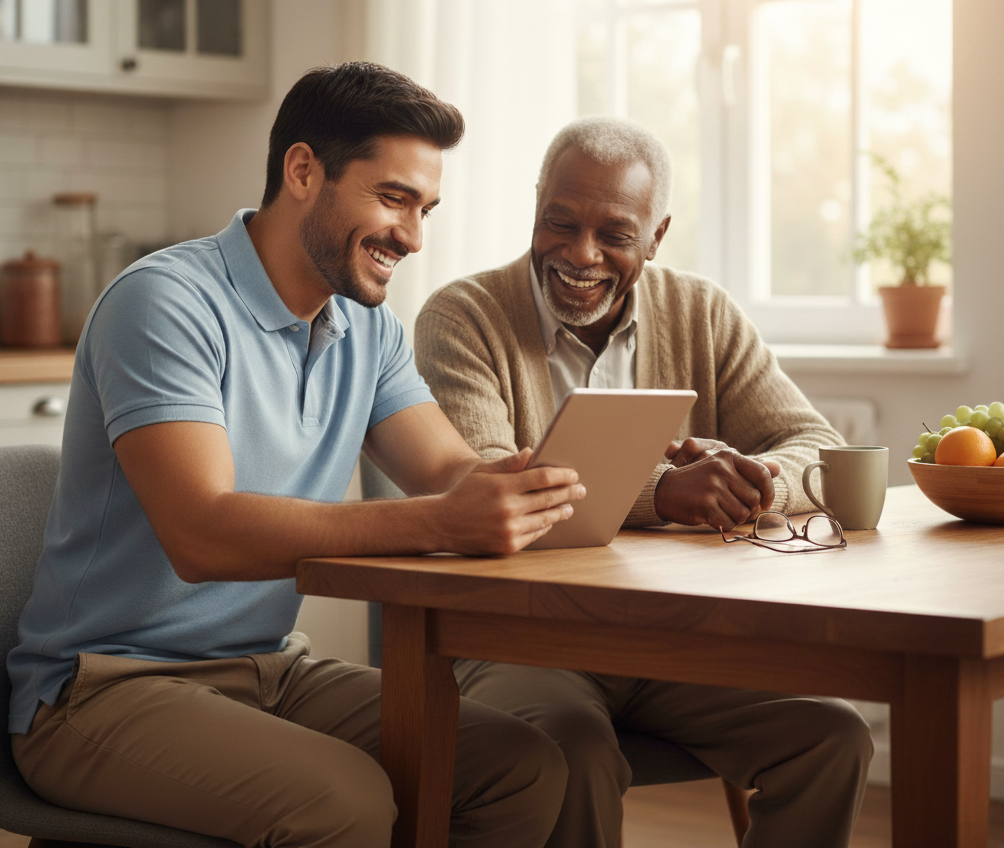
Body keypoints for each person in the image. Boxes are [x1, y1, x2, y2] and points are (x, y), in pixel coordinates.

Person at [7, 63, 588, 848]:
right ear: (304, 170)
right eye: (392, 199)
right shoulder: (166, 304)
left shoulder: (368, 328)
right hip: (101, 690)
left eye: (424, 209)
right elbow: (203, 535)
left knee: (520, 765)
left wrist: (545, 478)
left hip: (267, 669)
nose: (413, 238)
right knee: (341, 804)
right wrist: (438, 520)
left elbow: (448, 471)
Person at [414, 116, 874, 848]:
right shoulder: (462, 318)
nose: (580, 254)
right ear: (535, 206)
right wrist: (664, 492)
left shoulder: (701, 311)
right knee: (574, 748)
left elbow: (814, 444)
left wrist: (750, 479)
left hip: (670, 640)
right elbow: (489, 488)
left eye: (615, 236)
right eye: (558, 223)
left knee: (832, 737)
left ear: (656, 238)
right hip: (517, 637)